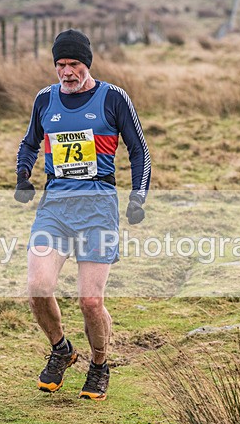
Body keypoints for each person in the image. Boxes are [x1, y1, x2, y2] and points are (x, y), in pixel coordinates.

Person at [14, 29, 151, 401]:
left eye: (73, 64)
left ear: (86, 63)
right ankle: (61, 349)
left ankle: (99, 364)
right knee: (38, 287)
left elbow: (139, 150)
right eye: (60, 65)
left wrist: (138, 197)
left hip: (98, 210)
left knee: (91, 302)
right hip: (55, 209)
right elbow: (28, 143)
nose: (67, 72)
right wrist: (23, 175)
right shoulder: (45, 99)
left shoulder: (113, 98)